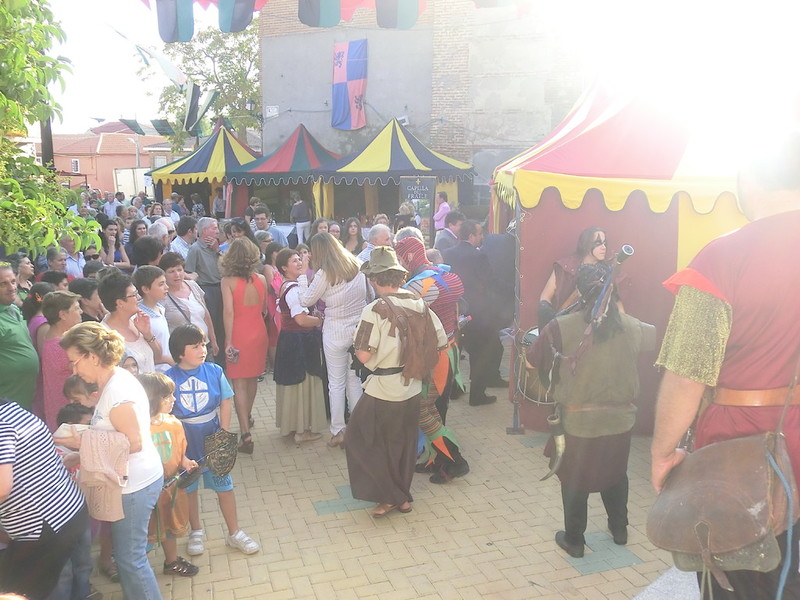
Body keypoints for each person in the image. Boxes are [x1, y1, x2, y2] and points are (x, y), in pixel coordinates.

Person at [651, 134, 800, 599]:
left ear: (748, 180)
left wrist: (662, 453)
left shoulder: (721, 258)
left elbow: (686, 375)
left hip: (740, 465)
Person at [528, 264, 655, 558]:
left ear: (579, 291)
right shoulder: (633, 326)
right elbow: (653, 338)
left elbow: (533, 361)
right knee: (616, 473)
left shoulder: (560, 326)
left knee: (574, 479)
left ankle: (574, 540)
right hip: (620, 420)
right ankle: (619, 529)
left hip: (577, 422)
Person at [60, 322, 164, 599]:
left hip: (135, 485)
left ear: (93, 357)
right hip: (132, 480)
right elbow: (114, 436)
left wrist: (82, 443)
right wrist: (79, 455)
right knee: (130, 558)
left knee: (131, 560)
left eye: (74, 362)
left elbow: (133, 442)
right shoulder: (112, 382)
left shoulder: (117, 391)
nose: (73, 370)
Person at [346, 247, 447, 517]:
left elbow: (363, 354)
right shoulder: (419, 304)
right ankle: (401, 497)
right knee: (402, 444)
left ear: (374, 278)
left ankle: (390, 496)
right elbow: (440, 341)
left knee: (359, 437)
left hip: (384, 388)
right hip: (412, 386)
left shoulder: (374, 310)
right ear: (398, 276)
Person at [165, 324, 261, 557]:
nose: (202, 350)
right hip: (185, 442)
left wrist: (223, 434)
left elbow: (226, 401)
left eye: (203, 345)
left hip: (213, 437)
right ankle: (196, 531)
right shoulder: (168, 379)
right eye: (195, 347)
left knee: (224, 486)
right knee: (189, 488)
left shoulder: (215, 371)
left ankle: (234, 532)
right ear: (179, 352)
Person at [395, 236, 470, 483]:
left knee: (423, 410)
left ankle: (455, 461)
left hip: (436, 356)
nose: (398, 264)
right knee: (435, 408)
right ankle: (437, 460)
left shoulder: (418, 286)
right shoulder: (444, 274)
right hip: (449, 350)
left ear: (408, 257)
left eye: (399, 258)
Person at [0, 398, 88, 599]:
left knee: (17, 592)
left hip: (45, 524)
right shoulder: (13, 410)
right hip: (67, 511)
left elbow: (2, 488)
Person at [297, 233, 371, 447]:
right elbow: (370, 295)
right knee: (354, 379)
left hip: (335, 332)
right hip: (357, 330)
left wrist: (302, 276)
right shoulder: (357, 265)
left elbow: (305, 300)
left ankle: (339, 430)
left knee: (336, 383)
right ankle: (358, 428)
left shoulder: (324, 273)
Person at [139, 372, 199, 578]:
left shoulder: (173, 423)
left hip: (171, 487)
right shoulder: (138, 427)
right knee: (145, 529)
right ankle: (138, 569)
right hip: (148, 489)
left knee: (170, 525)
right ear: (151, 399)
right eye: (167, 396)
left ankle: (171, 561)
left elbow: (178, 451)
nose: (174, 399)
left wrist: (185, 462)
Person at [443, 220, 503, 406]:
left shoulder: (448, 253)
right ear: (471, 236)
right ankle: (477, 395)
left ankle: (453, 389)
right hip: (477, 312)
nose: (482, 237)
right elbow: (490, 282)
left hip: (454, 309)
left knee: (455, 351)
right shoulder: (479, 256)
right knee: (480, 353)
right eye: (479, 234)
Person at [220, 239, 269, 454]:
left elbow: (228, 312)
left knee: (238, 384)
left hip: (239, 334)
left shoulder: (227, 281)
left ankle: (245, 432)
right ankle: (247, 416)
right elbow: (264, 309)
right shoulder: (261, 279)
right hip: (258, 332)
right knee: (252, 379)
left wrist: (229, 341)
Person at [273, 248, 326, 443]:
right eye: (294, 261)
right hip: (299, 343)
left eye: (299, 259)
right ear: (284, 267)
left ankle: (293, 426)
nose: (299, 263)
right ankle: (302, 431)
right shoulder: (294, 289)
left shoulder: (288, 286)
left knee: (294, 385)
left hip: (291, 340)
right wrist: (321, 320)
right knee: (302, 384)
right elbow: (301, 320)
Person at [539, 226, 623, 326]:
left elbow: (617, 305)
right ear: (586, 244)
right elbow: (545, 297)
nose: (603, 247)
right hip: (564, 325)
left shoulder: (607, 273)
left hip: (592, 329)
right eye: (598, 243)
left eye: (604, 243)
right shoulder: (566, 267)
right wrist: (549, 320)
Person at [98, 270, 162, 374]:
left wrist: (148, 334)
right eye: (134, 295)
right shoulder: (105, 336)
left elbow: (158, 357)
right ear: (120, 303)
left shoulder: (137, 321)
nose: (139, 297)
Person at [38, 290, 83, 432]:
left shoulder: (53, 339)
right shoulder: (60, 347)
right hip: (70, 419)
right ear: (63, 315)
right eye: (76, 308)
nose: (81, 311)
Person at [159, 252, 219, 355]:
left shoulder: (193, 285)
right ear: (164, 274)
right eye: (171, 271)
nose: (177, 274)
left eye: (179, 270)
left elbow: (206, 314)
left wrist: (213, 340)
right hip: (182, 351)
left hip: (204, 345)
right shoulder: (162, 296)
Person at [0, 264, 39, 411]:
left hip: (25, 397)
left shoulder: (13, 308)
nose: (11, 288)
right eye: (3, 284)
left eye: (13, 281)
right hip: (6, 404)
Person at [185, 217, 224, 364]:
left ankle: (222, 360)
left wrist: (217, 250)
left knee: (222, 325)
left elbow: (226, 265)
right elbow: (189, 272)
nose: (217, 231)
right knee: (211, 323)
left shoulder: (218, 248)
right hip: (206, 289)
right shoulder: (195, 249)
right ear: (204, 230)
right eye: (214, 228)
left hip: (221, 287)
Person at [134, 266, 175, 372]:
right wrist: (166, 359)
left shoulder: (160, 308)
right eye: (161, 284)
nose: (166, 287)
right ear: (145, 289)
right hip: (154, 372)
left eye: (165, 283)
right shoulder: (139, 317)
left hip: (168, 369)